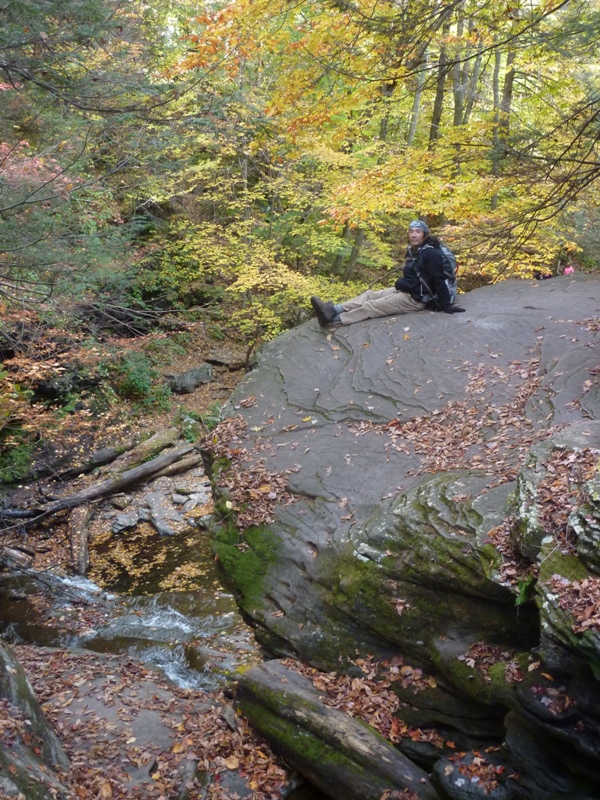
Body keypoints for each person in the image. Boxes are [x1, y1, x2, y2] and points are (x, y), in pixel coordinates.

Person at [310, 220, 465, 326]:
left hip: (416, 299)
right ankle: (333, 309)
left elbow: (437, 279)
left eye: (418, 232)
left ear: (425, 234)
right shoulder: (417, 251)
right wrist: (402, 284)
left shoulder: (429, 253)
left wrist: (446, 305)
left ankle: (334, 319)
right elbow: (416, 277)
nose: (413, 235)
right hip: (408, 291)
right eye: (411, 231)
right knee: (370, 294)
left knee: (372, 306)